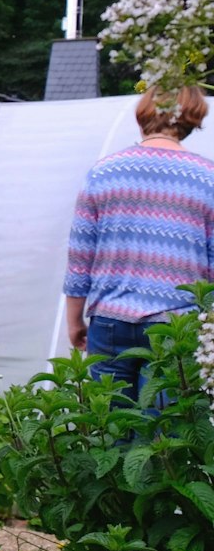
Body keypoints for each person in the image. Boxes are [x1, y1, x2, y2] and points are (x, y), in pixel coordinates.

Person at [62, 85, 214, 403]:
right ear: (192, 118)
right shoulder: (207, 178)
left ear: (143, 113)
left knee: (112, 430)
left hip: (109, 322)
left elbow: (80, 256)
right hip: (177, 328)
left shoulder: (103, 173)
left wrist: (74, 320)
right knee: (165, 439)